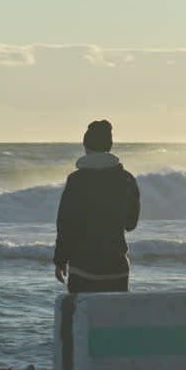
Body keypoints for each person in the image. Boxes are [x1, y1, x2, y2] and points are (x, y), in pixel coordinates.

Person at [53, 120, 141, 292]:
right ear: (110, 145)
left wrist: (60, 260)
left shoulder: (77, 180)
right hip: (117, 268)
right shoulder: (126, 179)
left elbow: (66, 224)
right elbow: (131, 225)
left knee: (83, 317)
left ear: (85, 146)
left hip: (83, 269)